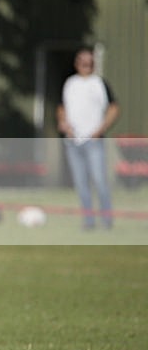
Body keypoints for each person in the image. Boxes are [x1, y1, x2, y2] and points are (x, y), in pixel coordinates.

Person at [57, 47, 120, 230]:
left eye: (89, 62)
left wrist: (100, 129)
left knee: (99, 181)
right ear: (77, 64)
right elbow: (61, 108)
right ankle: (88, 221)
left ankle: (107, 220)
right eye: (82, 61)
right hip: (73, 141)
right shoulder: (70, 84)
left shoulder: (99, 83)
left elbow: (114, 108)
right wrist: (63, 123)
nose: (86, 65)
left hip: (93, 141)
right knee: (81, 184)